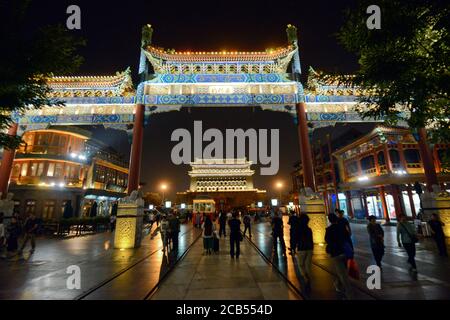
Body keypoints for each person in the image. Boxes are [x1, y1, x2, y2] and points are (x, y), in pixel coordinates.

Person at [325, 213, 354, 299]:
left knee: (342, 274)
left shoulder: (329, 230)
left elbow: (327, 241)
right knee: (343, 271)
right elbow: (348, 238)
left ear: (329, 220)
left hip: (336, 254)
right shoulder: (342, 228)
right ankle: (337, 284)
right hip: (345, 252)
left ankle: (349, 293)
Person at [297, 214, 313, 290]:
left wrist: (293, 247)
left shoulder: (298, 229)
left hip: (301, 248)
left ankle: (305, 277)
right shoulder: (309, 229)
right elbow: (311, 240)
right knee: (308, 265)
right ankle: (308, 276)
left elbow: (295, 238)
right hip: (309, 249)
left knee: (301, 264)